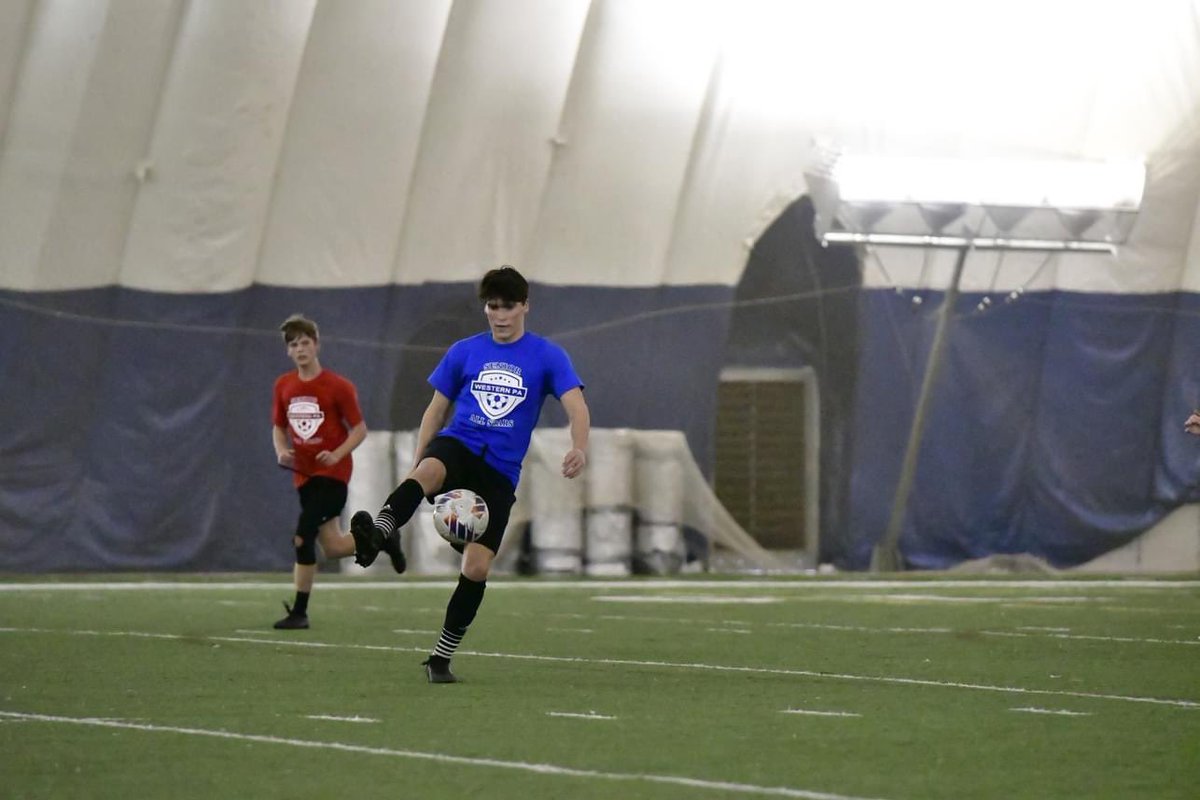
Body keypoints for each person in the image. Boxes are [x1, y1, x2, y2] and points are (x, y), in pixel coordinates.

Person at [351, 265, 590, 683]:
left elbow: (577, 406)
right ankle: (380, 530)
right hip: (459, 444)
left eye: (508, 307)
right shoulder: (464, 350)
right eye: (492, 306)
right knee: (427, 470)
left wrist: (580, 448)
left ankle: (440, 658)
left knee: (477, 568)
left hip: (499, 471)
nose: (499, 315)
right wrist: (418, 460)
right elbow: (435, 410)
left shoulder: (548, 355)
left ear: (525, 306)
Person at [271, 314, 367, 630]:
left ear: (316, 345)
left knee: (303, 537)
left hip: (334, 474)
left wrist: (336, 453)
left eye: (305, 342)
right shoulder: (284, 385)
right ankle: (381, 537)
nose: (300, 349)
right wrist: (281, 451)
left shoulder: (337, 386)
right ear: (288, 351)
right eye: (294, 344)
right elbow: (279, 427)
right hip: (305, 475)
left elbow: (359, 429)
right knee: (335, 547)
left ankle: (300, 612)